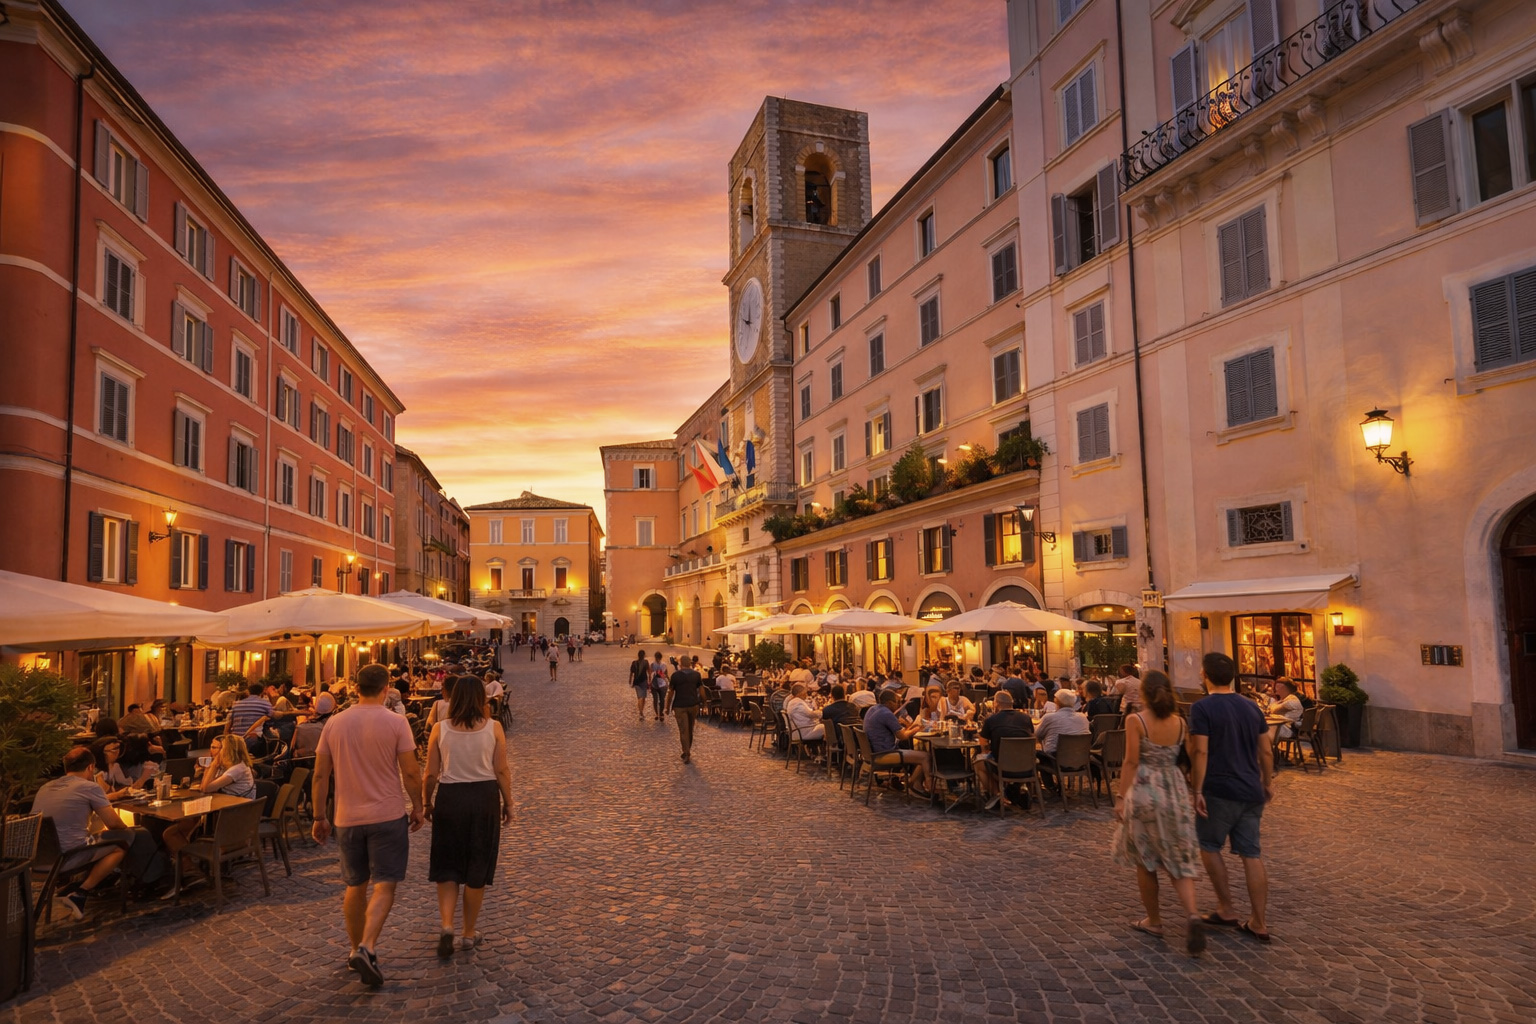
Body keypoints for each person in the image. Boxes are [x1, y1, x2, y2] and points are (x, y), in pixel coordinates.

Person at [312, 663, 426, 988]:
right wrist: (418, 806)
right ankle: (366, 946)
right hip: (387, 814)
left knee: (355, 885)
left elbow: (321, 774)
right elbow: (411, 771)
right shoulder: (396, 722)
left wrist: (319, 816)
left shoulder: (334, 723)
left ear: (356, 687)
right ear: (387, 687)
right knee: (385, 884)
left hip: (347, 818)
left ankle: (354, 950)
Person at [1112, 671, 1206, 955]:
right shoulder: (1180, 722)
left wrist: (1120, 796)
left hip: (1145, 789)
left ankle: (1154, 920)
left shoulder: (1135, 720)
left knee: (1146, 859)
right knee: (1177, 857)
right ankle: (1192, 914)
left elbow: (1130, 761)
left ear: (1144, 694)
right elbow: (1189, 757)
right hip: (1173, 788)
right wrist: (1195, 790)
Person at [423, 674, 512, 956]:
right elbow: (501, 770)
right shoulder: (494, 728)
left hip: (450, 797)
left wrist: (426, 803)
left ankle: (447, 925)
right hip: (483, 798)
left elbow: (430, 773)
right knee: (477, 865)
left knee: (447, 865)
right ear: (480, 698)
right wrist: (508, 802)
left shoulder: (440, 728)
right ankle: (468, 932)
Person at [1189, 651, 1273, 943]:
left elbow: (1200, 751)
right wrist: (1267, 780)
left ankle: (1226, 907)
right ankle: (1259, 922)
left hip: (1219, 788)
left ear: (1205, 675)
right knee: (1252, 854)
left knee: (1209, 845)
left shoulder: (1202, 708)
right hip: (1251, 788)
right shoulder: (1252, 708)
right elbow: (1266, 750)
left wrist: (1197, 789)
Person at [32, 747, 165, 916]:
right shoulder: (89, 787)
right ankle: (81, 891)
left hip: (40, 858)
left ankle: (83, 885)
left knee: (100, 836)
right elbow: (114, 824)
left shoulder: (46, 787)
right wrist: (130, 832)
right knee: (125, 839)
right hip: (68, 857)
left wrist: (112, 797)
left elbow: (77, 799)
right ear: (90, 767)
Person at [863, 688, 931, 796]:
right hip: (885, 753)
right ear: (889, 703)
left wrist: (910, 728)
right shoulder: (886, 713)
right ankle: (925, 787)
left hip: (874, 752)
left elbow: (899, 733)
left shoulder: (873, 709)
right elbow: (903, 736)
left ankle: (913, 782)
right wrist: (917, 729)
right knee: (926, 756)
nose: (898, 705)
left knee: (920, 753)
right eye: (897, 702)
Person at [973, 691, 1035, 806]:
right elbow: (1031, 736)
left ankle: (998, 795)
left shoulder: (991, 720)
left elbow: (983, 741)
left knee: (979, 764)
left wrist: (985, 751)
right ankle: (1021, 789)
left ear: (996, 703)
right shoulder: (1026, 718)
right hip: (1026, 765)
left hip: (1003, 767)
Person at [666, 655, 704, 763]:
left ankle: (686, 751)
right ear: (690, 663)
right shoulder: (696, 675)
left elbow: (670, 693)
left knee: (683, 730)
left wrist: (667, 707)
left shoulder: (675, 676)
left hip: (679, 706)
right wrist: (704, 702)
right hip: (693, 705)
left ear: (680, 663)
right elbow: (701, 690)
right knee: (690, 729)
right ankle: (687, 750)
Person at [228, 682, 274, 756]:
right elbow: (271, 719)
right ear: (262, 692)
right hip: (254, 741)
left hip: (236, 740)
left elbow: (230, 722)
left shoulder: (236, 705)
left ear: (248, 692)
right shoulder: (265, 703)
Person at [628, 649, 652, 722]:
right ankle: (641, 712)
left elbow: (631, 672)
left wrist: (630, 680)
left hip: (636, 682)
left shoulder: (634, 663)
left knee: (640, 697)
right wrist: (650, 680)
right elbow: (649, 671)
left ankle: (641, 711)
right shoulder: (646, 662)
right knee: (642, 697)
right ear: (644, 655)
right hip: (643, 681)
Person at [648, 652, 670, 721]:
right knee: (661, 699)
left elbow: (650, 674)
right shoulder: (664, 665)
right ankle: (660, 713)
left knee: (656, 699)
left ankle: (658, 714)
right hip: (662, 684)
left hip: (655, 684)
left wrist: (649, 682)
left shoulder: (652, 664)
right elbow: (666, 674)